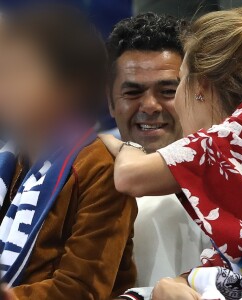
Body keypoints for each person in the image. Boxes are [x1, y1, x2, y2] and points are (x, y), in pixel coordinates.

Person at [101, 6, 242, 299]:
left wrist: (123, 145)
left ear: (200, 87)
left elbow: (130, 176)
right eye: (133, 92)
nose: (154, 106)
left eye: (175, 85)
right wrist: (178, 284)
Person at [0, 5, 137, 299]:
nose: (5, 87)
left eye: (19, 72)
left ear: (71, 87)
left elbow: (82, 290)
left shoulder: (100, 169)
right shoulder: (8, 160)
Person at [106, 12, 210, 287]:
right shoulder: (81, 173)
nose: (150, 106)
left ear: (193, 93)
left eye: (167, 91)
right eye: (133, 93)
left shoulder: (232, 169)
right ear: (109, 102)